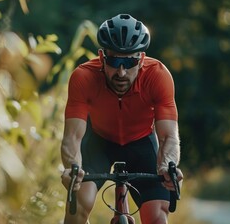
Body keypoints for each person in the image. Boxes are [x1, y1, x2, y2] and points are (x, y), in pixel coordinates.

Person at [60, 14, 183, 224]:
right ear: (102, 57)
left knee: (156, 218)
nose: (122, 72)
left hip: (142, 143)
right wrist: (73, 169)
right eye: (114, 61)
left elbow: (168, 136)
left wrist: (166, 167)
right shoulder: (83, 77)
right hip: (99, 143)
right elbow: (72, 136)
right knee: (77, 209)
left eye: (130, 61)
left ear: (142, 59)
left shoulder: (158, 76)